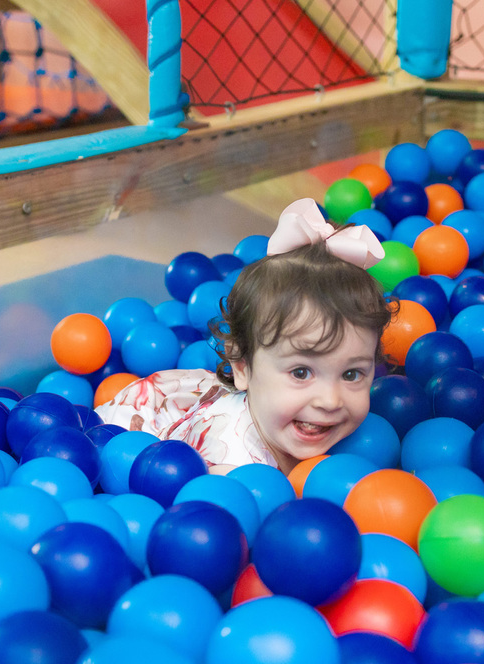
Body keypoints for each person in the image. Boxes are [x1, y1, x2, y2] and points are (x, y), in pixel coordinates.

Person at [96, 197, 396, 475]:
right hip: (136, 423)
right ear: (241, 366)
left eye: (352, 374)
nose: (330, 401)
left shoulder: (323, 424)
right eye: (301, 372)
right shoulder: (228, 464)